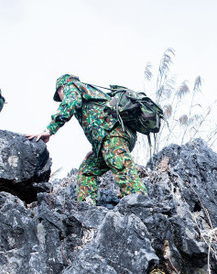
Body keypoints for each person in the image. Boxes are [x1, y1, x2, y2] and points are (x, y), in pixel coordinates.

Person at [27, 74, 146, 204]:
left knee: (122, 167)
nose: (61, 99)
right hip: (108, 138)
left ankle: (140, 203)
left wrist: (49, 130)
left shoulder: (71, 87)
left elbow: (70, 103)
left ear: (61, 89)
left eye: (59, 96)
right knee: (87, 170)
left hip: (114, 135)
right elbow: (97, 120)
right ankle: (87, 206)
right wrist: (96, 149)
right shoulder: (86, 91)